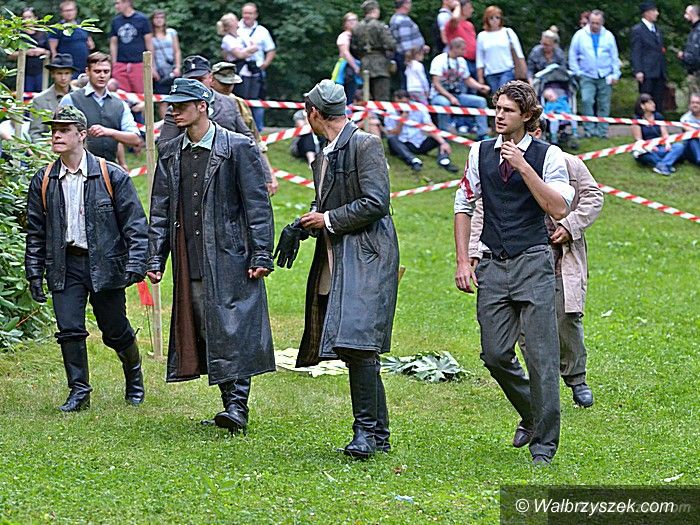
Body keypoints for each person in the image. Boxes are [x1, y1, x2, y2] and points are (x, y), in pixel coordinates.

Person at [454, 80, 574, 466]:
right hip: (493, 262)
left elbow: (558, 208)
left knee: (541, 356)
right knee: (494, 353)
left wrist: (523, 166)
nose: (499, 116)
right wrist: (463, 260)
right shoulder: (479, 152)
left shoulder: (549, 156)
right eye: (497, 108)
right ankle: (532, 413)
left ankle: (544, 446)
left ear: (527, 115)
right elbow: (463, 204)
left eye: (507, 110)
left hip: (534, 261)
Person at [147, 78, 275, 434]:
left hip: (231, 254)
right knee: (206, 326)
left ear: (202, 106)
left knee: (234, 327)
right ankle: (230, 403)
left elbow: (257, 206)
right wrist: (155, 259)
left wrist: (261, 253)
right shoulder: (170, 151)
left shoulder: (237, 147)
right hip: (189, 255)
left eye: (182, 105)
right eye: (172, 105)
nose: (174, 111)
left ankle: (237, 406)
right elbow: (160, 210)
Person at [285, 80, 399, 458]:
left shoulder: (365, 144)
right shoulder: (325, 153)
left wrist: (328, 219)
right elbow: (324, 203)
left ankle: (365, 433)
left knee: (358, 343)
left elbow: (376, 202)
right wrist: (301, 225)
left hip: (368, 254)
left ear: (314, 113)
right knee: (352, 346)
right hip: (337, 255)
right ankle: (378, 435)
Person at [467, 124, 603, 409]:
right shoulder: (502, 165)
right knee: (527, 328)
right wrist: (473, 250)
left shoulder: (568, 163)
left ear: (537, 133)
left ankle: (576, 377)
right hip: (517, 255)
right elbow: (483, 209)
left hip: (560, 255)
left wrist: (570, 226)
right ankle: (538, 391)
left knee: (566, 315)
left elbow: (593, 197)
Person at [24, 106, 149, 412]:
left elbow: (135, 224)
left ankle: (133, 374)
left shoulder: (111, 175)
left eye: (64, 130)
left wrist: (136, 263)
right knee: (69, 329)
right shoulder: (44, 180)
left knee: (114, 329)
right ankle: (79, 391)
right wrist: (34, 272)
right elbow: (36, 232)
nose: (56, 135)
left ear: (81, 135)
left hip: (105, 263)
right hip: (64, 263)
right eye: (54, 130)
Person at [209, 61, 279, 195]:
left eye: (231, 84)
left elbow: (254, 139)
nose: (228, 88)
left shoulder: (238, 104)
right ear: (212, 80)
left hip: (237, 164)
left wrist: (268, 173)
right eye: (224, 83)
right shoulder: (202, 102)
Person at [59, 52, 141, 163]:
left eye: (106, 71)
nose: (102, 75)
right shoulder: (71, 99)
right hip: (76, 165)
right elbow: (59, 135)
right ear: (87, 72)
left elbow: (135, 139)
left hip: (109, 166)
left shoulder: (120, 104)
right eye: (97, 71)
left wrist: (109, 132)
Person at [568, 10, 621, 139]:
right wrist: (577, 72)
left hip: (605, 74)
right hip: (586, 74)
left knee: (604, 103)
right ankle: (589, 130)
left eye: (597, 23)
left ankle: (602, 131)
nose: (594, 25)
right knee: (587, 100)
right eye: (592, 22)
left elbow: (614, 56)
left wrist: (616, 74)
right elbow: (572, 55)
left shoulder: (608, 36)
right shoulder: (580, 35)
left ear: (602, 23)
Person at [385, 89, 458, 174]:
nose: (402, 106)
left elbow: (429, 126)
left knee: (442, 135)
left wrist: (442, 142)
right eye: (399, 103)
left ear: (409, 100)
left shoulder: (419, 107)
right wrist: (402, 120)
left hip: (420, 142)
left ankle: (444, 160)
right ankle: (413, 161)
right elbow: (393, 132)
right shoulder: (390, 111)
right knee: (391, 139)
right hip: (403, 143)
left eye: (404, 103)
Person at [429, 37, 490, 138]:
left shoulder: (461, 61)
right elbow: (436, 84)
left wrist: (480, 87)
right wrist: (450, 97)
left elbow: (467, 79)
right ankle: (444, 134)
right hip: (438, 95)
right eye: (463, 49)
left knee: (481, 102)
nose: (465, 51)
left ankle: (482, 134)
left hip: (456, 94)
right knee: (444, 103)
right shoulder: (439, 60)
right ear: (454, 48)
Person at [238, 3, 277, 132]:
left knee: (257, 101)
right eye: (245, 13)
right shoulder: (237, 28)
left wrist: (264, 64)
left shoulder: (262, 31)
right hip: (240, 70)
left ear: (255, 15)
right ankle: (240, 128)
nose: (247, 16)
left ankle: (258, 130)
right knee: (240, 100)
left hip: (257, 71)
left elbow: (271, 49)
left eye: (250, 13)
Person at [630, 93, 687, 175]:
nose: (653, 104)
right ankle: (666, 164)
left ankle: (662, 165)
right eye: (650, 103)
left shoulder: (658, 116)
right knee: (646, 155)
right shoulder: (636, 120)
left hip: (660, 147)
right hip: (646, 150)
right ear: (642, 106)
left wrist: (667, 144)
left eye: (653, 102)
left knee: (679, 146)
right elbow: (638, 139)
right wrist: (650, 147)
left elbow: (665, 135)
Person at [351, 0, 396, 102]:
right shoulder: (380, 26)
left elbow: (354, 47)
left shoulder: (356, 28)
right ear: (375, 10)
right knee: (382, 98)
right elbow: (391, 44)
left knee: (366, 97)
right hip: (380, 65)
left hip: (364, 64)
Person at [475, 5, 526, 93]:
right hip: (490, 73)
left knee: (503, 92)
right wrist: (480, 78)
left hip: (507, 70)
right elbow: (480, 59)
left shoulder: (508, 32)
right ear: (487, 20)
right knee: (497, 96)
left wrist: (524, 71)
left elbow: (519, 53)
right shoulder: (482, 36)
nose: (494, 20)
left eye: (497, 17)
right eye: (491, 18)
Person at [29, 54, 78, 141]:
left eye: (67, 73)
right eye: (59, 73)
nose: (63, 78)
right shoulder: (40, 100)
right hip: (50, 145)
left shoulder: (80, 95)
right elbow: (35, 133)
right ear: (52, 74)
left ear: (71, 74)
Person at [110, 0, 155, 94]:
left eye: (118, 3)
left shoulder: (142, 19)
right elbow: (113, 43)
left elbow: (149, 44)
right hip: (121, 63)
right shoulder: (116, 21)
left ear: (127, 2)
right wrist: (114, 64)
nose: (116, 6)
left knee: (141, 94)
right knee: (121, 94)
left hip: (139, 63)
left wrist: (151, 65)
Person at [631, 2, 667, 111]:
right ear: (647, 13)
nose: (657, 13)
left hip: (659, 71)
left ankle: (657, 119)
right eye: (654, 11)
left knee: (658, 100)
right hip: (647, 72)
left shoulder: (657, 29)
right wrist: (638, 70)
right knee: (646, 99)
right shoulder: (638, 30)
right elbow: (636, 51)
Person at [49, 1, 95, 78]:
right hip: (67, 67)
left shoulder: (82, 26)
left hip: (84, 65)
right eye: (66, 11)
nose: (69, 13)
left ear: (75, 11)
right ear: (61, 13)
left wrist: (90, 44)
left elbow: (90, 44)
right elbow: (53, 49)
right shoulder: (57, 27)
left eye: (71, 10)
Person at [9, 7, 50, 93]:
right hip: (24, 73)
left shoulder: (43, 34)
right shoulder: (18, 35)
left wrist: (41, 51)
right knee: (26, 96)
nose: (27, 20)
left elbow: (50, 52)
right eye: (24, 17)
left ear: (36, 18)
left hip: (41, 72)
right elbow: (10, 55)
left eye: (29, 17)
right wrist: (26, 52)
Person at [389, 0, 428, 90]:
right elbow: (405, 40)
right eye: (409, 2)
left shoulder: (396, 18)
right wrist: (409, 56)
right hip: (409, 57)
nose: (411, 5)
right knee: (410, 82)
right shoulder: (403, 20)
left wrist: (422, 46)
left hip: (407, 55)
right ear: (404, 4)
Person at [151, 9, 181, 116]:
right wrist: (152, 69)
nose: (159, 20)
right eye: (156, 18)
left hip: (172, 67)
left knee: (176, 97)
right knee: (162, 99)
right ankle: (164, 121)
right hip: (159, 70)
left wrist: (178, 66)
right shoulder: (150, 36)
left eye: (161, 18)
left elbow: (177, 50)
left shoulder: (171, 33)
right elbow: (150, 53)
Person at [443, 1, 477, 82]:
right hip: (460, 61)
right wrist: (457, 5)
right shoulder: (452, 24)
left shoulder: (469, 25)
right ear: (461, 9)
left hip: (474, 62)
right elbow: (455, 18)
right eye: (469, 7)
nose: (472, 10)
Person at [334, 12, 361, 103]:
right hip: (347, 69)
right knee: (348, 92)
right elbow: (345, 53)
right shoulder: (343, 36)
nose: (353, 22)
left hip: (357, 66)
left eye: (355, 20)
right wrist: (355, 67)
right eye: (350, 20)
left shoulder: (357, 36)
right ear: (345, 23)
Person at [679, 5, 700, 98]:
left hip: (696, 72)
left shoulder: (697, 32)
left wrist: (684, 56)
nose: (684, 16)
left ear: (692, 14)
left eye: (686, 13)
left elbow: (695, 55)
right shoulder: (694, 30)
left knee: (695, 99)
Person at [680, 92, 700, 164]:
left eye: (697, 103)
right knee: (692, 138)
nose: (695, 105)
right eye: (692, 103)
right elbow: (692, 132)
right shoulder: (685, 118)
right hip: (690, 148)